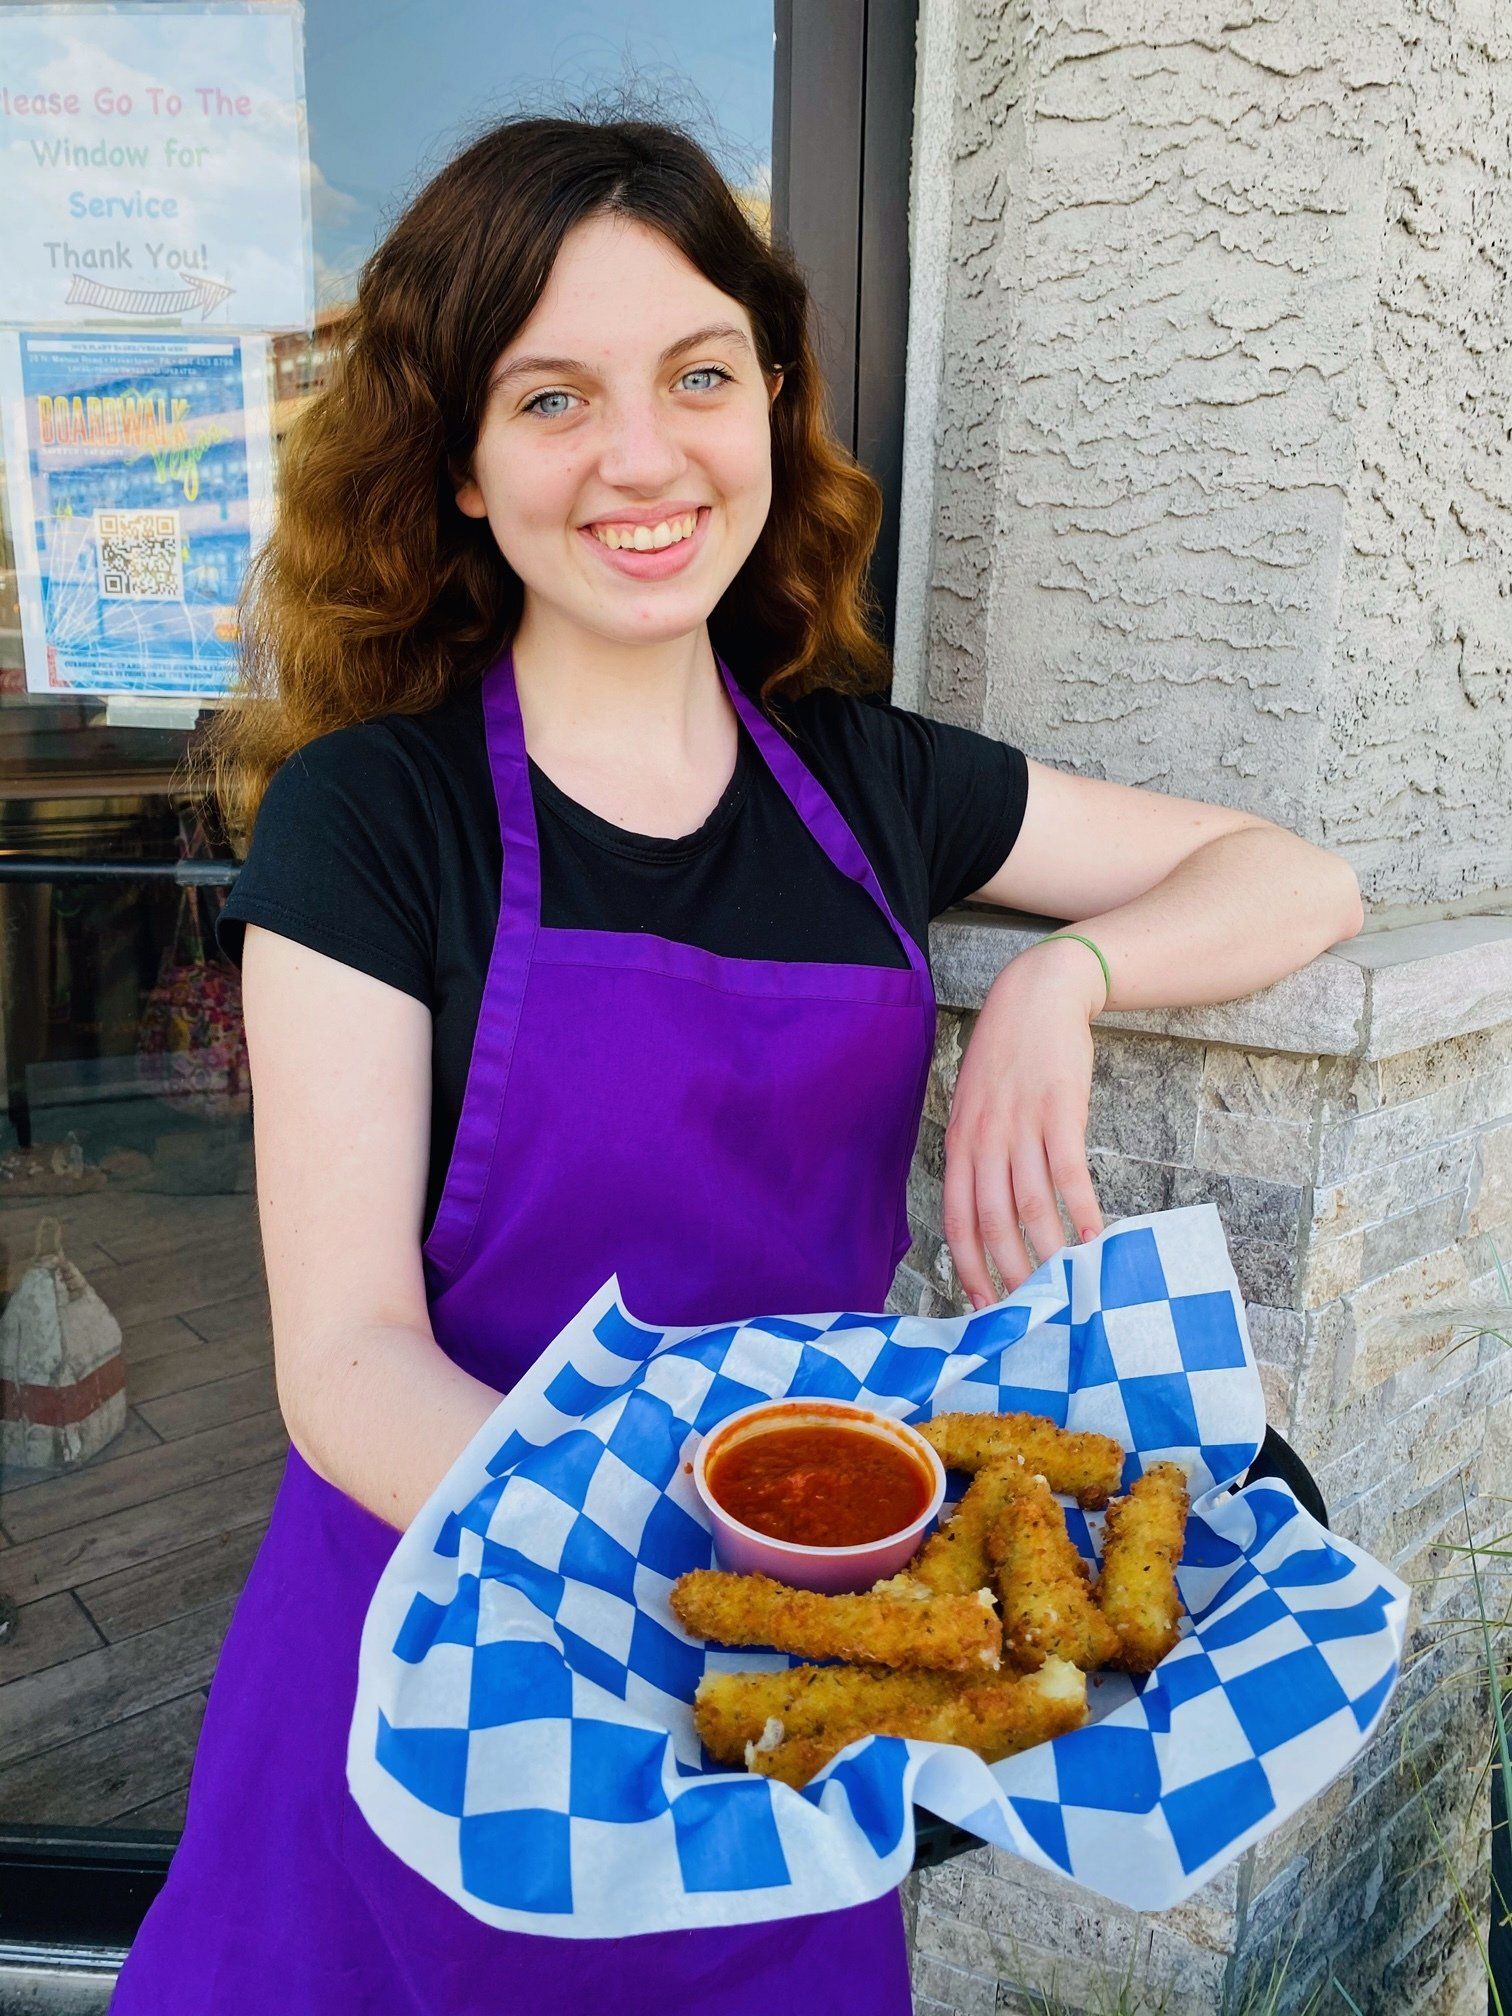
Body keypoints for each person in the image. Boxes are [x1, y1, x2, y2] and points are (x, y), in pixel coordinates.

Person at [109, 110, 1363, 2016]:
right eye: (551, 398)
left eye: (699, 375)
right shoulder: (377, 820)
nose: (641, 456)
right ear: (456, 461)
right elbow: (345, 1359)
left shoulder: (871, 781)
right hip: (451, 1650)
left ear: (772, 401)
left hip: (802, 1688)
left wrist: (1060, 981)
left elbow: (1298, 879)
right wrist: (677, 1538)